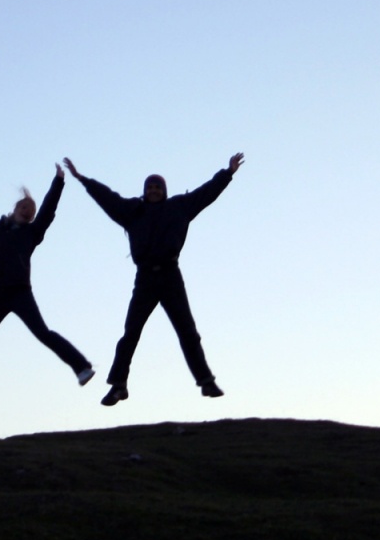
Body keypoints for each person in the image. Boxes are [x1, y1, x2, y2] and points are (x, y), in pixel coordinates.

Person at [63, 152, 244, 406]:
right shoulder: (133, 211)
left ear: (165, 190)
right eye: (150, 187)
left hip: (171, 276)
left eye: (158, 187)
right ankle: (118, 386)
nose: (154, 190)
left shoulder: (179, 207)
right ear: (144, 191)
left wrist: (227, 173)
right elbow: (108, 198)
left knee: (188, 332)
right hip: (145, 278)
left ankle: (205, 381)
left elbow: (206, 193)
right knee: (130, 334)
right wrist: (82, 179)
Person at [0, 163, 94, 408]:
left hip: (20, 292)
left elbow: (48, 210)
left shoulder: (32, 233)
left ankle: (82, 367)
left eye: (31, 211)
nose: (28, 212)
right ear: (15, 208)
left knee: (42, 332)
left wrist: (59, 182)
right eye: (24, 207)